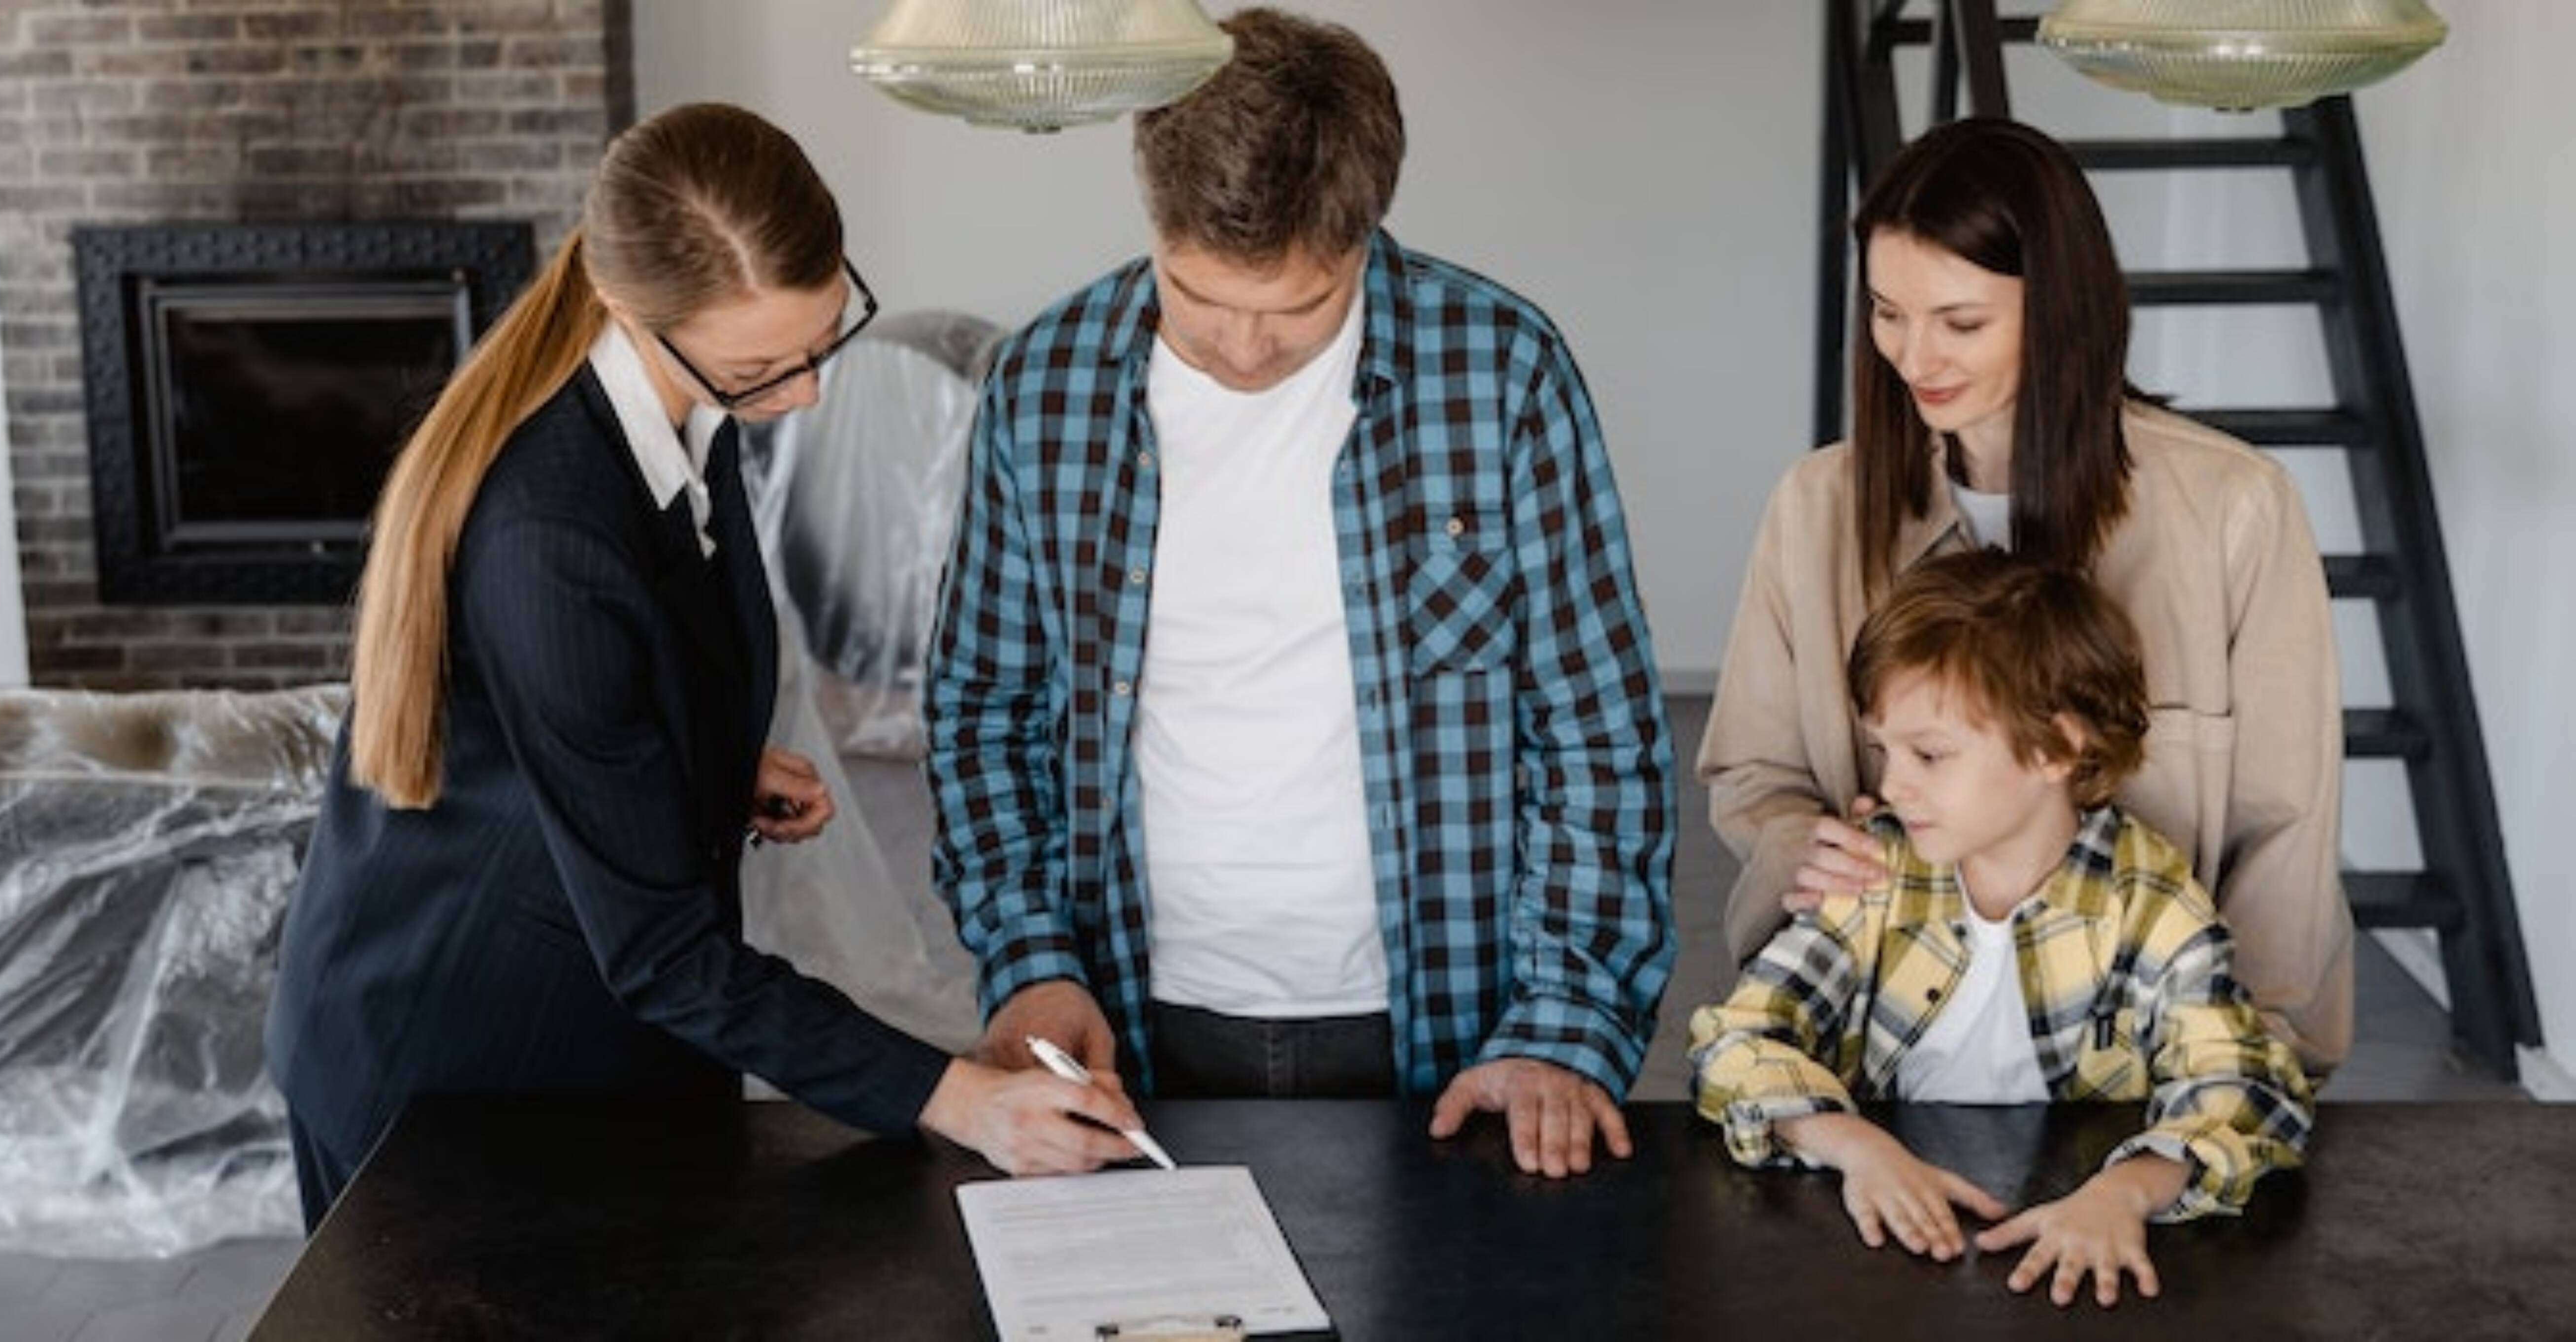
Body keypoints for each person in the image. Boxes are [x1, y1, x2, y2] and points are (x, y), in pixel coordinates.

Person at [263, 102, 1143, 1233]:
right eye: (763, 367)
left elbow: (592, 693)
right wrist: (959, 1097)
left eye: (827, 334)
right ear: (635, 314)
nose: (809, 390)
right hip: (453, 1063)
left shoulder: (684, 400)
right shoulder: (551, 530)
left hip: (589, 1049)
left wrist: (696, 764)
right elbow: (663, 953)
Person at [924, 8, 1675, 1181]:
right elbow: (983, 710)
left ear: (1366, 236)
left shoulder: (1503, 371)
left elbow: (1596, 729)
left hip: (1445, 1024)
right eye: (1198, 296)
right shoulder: (1043, 383)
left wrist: (1566, 1019)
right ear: (1152, 221)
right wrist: (1029, 958)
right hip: (1134, 1014)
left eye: (1298, 309)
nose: (1243, 350)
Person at [1697, 116, 2353, 1073]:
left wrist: (2240, 1076)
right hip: (1882, 1053)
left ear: (2060, 308)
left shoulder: (2234, 511)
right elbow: (1755, 774)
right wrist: (1801, 843)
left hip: (2151, 1066)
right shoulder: (1816, 509)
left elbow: (2286, 834)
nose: (1915, 357)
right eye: (1887, 312)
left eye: (1961, 322)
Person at [1691, 548, 2314, 1310]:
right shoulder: (1874, 874)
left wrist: (2124, 1194)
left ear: (2057, 747)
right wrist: (1858, 1149)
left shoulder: (2151, 902)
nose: (1890, 784)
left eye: (1930, 754)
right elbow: (1737, 1039)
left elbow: (2246, 1084)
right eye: (1884, 749)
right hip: (1884, 1253)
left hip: (2068, 1266)